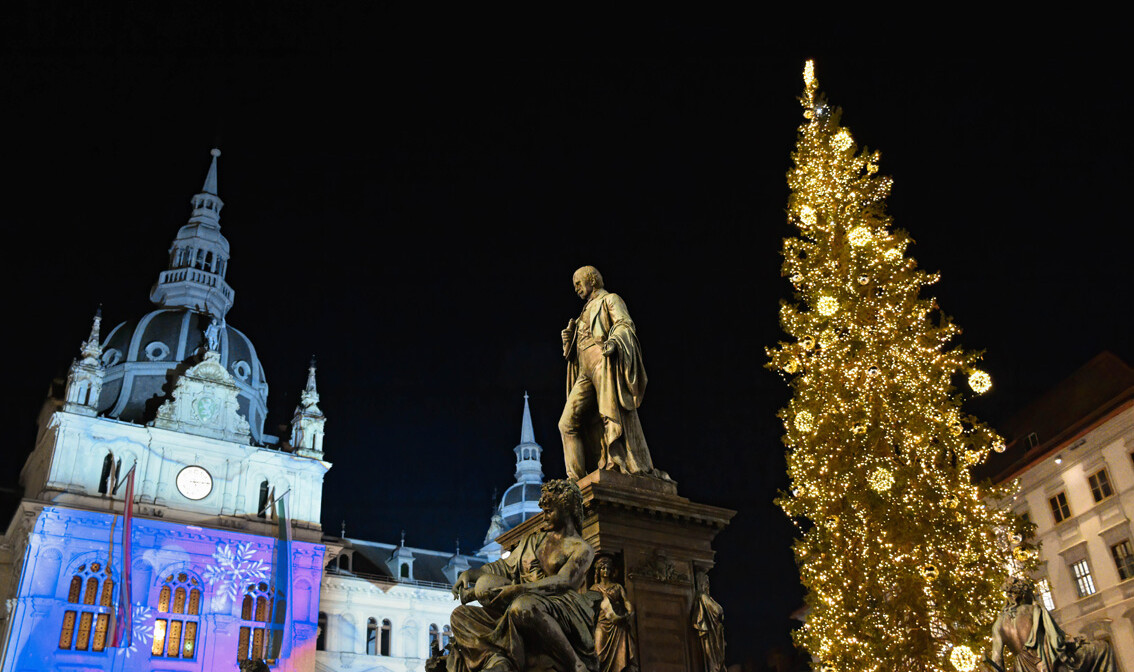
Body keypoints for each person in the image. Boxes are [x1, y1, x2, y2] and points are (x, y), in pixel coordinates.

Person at [448, 479, 598, 672]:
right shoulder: (533, 541)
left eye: (549, 511)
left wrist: (516, 589)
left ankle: (575, 662)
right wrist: (471, 573)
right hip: (519, 599)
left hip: (560, 604)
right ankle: (498, 660)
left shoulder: (582, 549)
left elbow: (564, 581)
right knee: (460, 616)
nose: (544, 517)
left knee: (521, 606)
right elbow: (504, 566)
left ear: (566, 509)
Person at [559, 266, 667, 482]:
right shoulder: (581, 314)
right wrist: (568, 341)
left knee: (608, 414)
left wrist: (615, 341)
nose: (576, 289)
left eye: (579, 283)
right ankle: (575, 479)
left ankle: (615, 461)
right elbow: (574, 350)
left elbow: (624, 324)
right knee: (566, 423)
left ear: (592, 280)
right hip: (584, 370)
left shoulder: (610, 300)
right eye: (574, 286)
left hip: (602, 361)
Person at [988, 578, 1116, 672]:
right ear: (1023, 594)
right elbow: (1056, 640)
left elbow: (996, 660)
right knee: (1102, 647)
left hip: (1021, 668)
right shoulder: (1034, 610)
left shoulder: (998, 625)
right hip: (1046, 662)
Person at [590, 556, 637, 672]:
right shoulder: (594, 588)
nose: (605, 571)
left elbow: (626, 602)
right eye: (603, 568)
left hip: (617, 624)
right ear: (599, 571)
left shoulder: (617, 587)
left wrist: (630, 612)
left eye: (608, 569)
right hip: (601, 623)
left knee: (621, 655)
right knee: (599, 654)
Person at [691, 571, 726, 672]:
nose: (708, 585)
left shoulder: (704, 596)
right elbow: (718, 611)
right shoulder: (703, 595)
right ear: (702, 583)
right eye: (706, 582)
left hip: (713, 633)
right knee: (712, 657)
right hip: (710, 634)